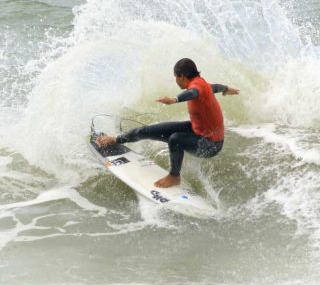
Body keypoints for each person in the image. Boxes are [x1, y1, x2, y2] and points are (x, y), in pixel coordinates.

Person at [96, 58, 239, 188]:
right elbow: (216, 87)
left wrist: (174, 99)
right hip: (197, 131)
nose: (175, 81)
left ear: (181, 76)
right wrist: (226, 89)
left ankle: (174, 176)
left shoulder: (197, 87)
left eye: (175, 77)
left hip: (211, 145)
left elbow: (193, 93)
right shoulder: (203, 84)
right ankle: (116, 139)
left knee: (176, 139)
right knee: (146, 131)